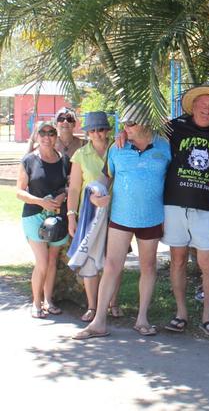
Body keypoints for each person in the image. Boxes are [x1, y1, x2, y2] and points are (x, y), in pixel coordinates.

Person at [73, 104, 171, 339]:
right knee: (112, 266)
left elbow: (171, 176)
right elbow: (105, 176)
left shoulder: (164, 146)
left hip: (152, 217)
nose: (126, 128)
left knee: (148, 267)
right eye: (124, 124)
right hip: (121, 217)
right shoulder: (117, 149)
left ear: (145, 123)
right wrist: (96, 191)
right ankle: (98, 322)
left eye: (131, 123)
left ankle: (142, 319)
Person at [162, 85, 209, 337]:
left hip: (205, 207)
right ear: (192, 106)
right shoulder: (173, 127)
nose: (207, 109)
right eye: (203, 105)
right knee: (177, 260)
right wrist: (122, 136)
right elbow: (142, 134)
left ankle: (207, 316)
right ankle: (181, 314)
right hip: (175, 204)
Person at [66, 111, 123, 322]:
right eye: (93, 130)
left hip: (118, 213)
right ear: (87, 133)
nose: (97, 134)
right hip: (90, 216)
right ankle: (92, 306)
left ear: (107, 130)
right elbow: (73, 189)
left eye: (101, 129)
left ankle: (112, 303)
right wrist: (72, 215)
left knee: (114, 260)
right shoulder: (81, 155)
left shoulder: (119, 149)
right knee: (90, 260)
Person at [16, 121, 70, 318]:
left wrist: (61, 197)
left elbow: (68, 187)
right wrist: (41, 202)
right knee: (42, 261)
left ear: (56, 136)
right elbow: (19, 192)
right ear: (37, 136)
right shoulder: (29, 161)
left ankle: (48, 300)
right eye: (43, 133)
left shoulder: (64, 160)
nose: (47, 137)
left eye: (51, 133)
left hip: (56, 216)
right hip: (33, 215)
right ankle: (36, 303)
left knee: (53, 259)